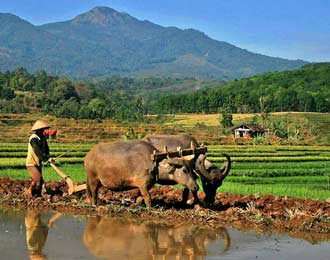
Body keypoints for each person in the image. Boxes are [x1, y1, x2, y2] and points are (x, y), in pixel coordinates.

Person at [26, 120, 51, 199]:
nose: (43, 131)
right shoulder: (33, 139)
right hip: (31, 163)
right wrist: (45, 158)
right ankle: (30, 194)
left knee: (36, 180)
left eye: (43, 129)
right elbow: (37, 151)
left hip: (38, 163)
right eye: (41, 130)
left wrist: (48, 156)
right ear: (38, 130)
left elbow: (46, 149)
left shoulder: (43, 138)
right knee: (38, 180)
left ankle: (34, 194)